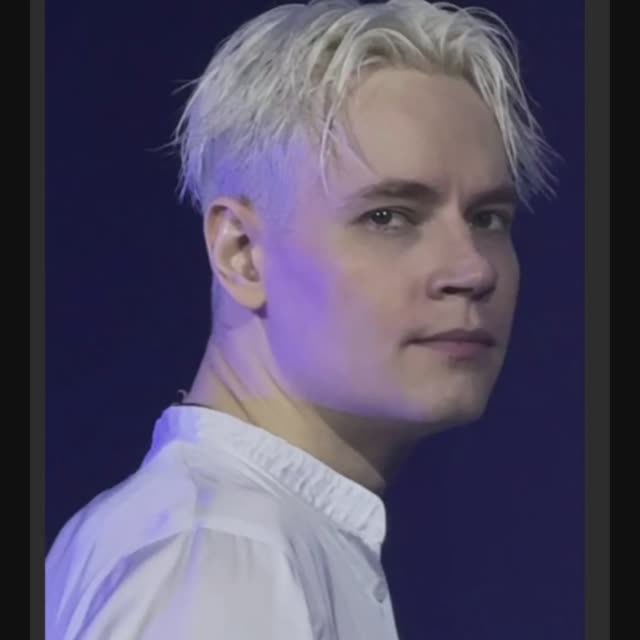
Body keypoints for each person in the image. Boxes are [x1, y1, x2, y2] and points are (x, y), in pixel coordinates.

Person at [45, 1, 555, 637]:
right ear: (242, 253)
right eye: (388, 216)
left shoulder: (231, 533)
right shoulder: (226, 552)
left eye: (488, 218)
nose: (473, 269)